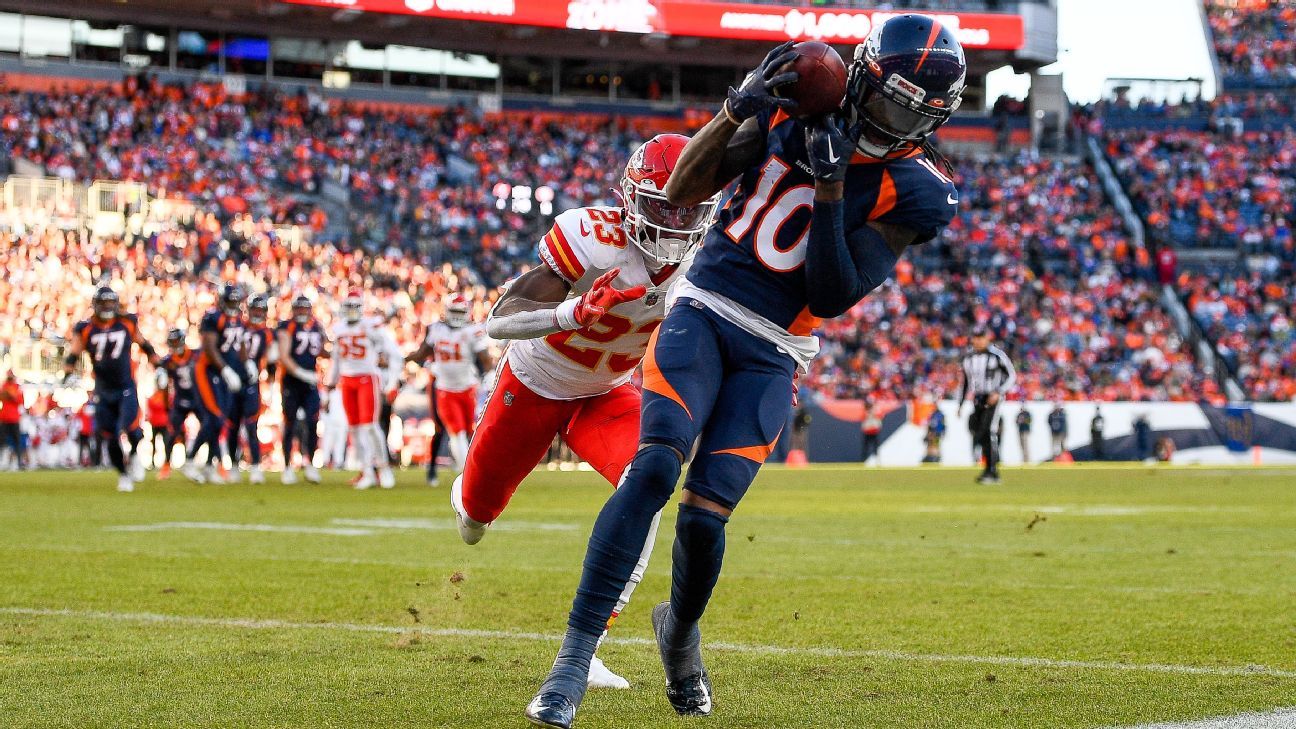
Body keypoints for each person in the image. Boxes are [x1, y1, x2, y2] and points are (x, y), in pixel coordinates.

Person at [526, 17, 966, 727]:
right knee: (654, 468)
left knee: (705, 520)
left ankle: (680, 633)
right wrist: (741, 103)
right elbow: (682, 187)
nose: (887, 119)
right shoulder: (803, 102)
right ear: (863, 74)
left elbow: (829, 294)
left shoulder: (916, 189)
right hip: (702, 308)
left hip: (774, 349)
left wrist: (829, 186)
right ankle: (571, 659)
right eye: (885, 98)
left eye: (905, 112)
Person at [453, 134, 714, 691]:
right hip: (536, 380)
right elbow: (499, 320)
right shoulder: (591, 237)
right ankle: (467, 491)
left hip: (607, 390)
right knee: (475, 518)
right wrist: (572, 310)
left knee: (646, 480)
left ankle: (589, 641)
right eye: (663, 204)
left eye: (688, 206)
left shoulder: (703, 257)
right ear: (630, 197)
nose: (675, 220)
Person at [64, 287, 159, 492]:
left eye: (110, 303)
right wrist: (68, 373)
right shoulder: (86, 328)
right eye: (103, 303)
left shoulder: (126, 322)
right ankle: (124, 474)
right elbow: (73, 354)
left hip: (125, 386)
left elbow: (144, 344)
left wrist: (156, 363)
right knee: (109, 435)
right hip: (103, 389)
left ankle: (134, 454)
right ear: (96, 305)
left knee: (131, 429)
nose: (107, 307)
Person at [405, 294, 492, 474]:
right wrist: (403, 358)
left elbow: (485, 359)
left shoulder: (472, 330)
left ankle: (469, 469)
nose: (458, 316)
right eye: (454, 311)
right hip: (445, 388)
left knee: (468, 431)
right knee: (457, 433)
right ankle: (467, 472)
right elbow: (423, 352)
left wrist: (490, 375)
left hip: (468, 387)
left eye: (460, 312)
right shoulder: (437, 329)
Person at [326, 290, 401, 489]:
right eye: (348, 307)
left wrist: (392, 381)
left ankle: (384, 469)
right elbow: (336, 360)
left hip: (367, 378)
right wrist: (329, 385)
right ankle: (367, 471)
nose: (351, 311)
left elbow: (394, 353)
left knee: (370, 426)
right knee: (355, 429)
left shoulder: (371, 325)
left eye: (354, 307)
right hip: (347, 380)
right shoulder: (339, 327)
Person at [185, 283, 249, 483]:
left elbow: (240, 345)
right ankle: (189, 460)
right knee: (215, 418)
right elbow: (210, 348)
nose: (233, 304)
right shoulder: (213, 318)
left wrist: (247, 365)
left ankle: (208, 466)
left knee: (220, 421)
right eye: (230, 301)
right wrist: (226, 370)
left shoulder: (238, 320)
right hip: (207, 370)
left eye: (235, 301)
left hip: (223, 373)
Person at [276, 294, 325, 484]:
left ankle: (310, 464)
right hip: (291, 382)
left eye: (305, 308)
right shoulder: (287, 327)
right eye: (299, 308)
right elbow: (284, 355)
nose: (302, 312)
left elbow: (321, 350)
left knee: (313, 423)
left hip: (310, 383)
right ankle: (287, 466)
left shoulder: (316, 326)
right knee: (290, 423)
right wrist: (301, 373)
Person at [958, 327, 1016, 485]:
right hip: (977, 398)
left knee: (988, 431)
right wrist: (961, 403)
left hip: (992, 397)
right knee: (980, 433)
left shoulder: (996, 355)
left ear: (987, 338)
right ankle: (987, 469)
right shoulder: (968, 357)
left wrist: (998, 392)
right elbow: (965, 383)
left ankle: (992, 471)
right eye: (975, 337)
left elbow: (1011, 375)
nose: (978, 340)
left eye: (981, 337)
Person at [228, 294, 272, 484]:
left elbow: (269, 360)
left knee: (251, 426)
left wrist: (268, 381)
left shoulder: (266, 333)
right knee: (233, 426)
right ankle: (233, 466)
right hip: (234, 379)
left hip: (252, 383)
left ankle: (255, 466)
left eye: (261, 310)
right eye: (255, 309)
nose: (257, 313)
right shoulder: (239, 326)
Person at [157, 328, 200, 479]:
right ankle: (166, 464)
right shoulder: (167, 362)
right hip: (180, 400)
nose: (175, 344)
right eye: (172, 341)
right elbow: (163, 382)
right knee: (172, 432)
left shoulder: (195, 355)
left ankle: (214, 463)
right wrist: (166, 405)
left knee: (210, 427)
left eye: (177, 341)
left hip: (197, 398)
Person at [0, 371, 25, 471]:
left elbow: (19, 401)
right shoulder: (4, 386)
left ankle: (18, 463)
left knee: (17, 441)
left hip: (14, 419)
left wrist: (9, 395)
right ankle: (3, 461)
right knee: (1, 441)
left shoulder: (17, 388)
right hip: (4, 418)